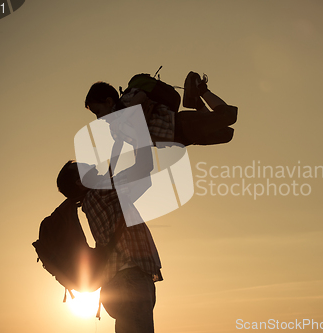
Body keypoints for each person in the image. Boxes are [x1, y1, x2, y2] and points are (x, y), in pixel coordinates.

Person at [57, 160, 161, 333]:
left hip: (121, 281)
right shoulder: (101, 193)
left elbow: (144, 178)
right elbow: (143, 167)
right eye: (83, 168)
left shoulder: (96, 198)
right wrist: (139, 136)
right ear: (79, 182)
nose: (90, 165)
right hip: (129, 281)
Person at [84, 71, 238, 146]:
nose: (98, 118)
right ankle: (195, 102)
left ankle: (200, 88)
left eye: (97, 111)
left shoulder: (125, 101)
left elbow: (141, 95)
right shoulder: (116, 130)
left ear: (109, 101)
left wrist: (127, 116)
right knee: (226, 134)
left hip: (179, 124)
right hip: (180, 139)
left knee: (228, 116)